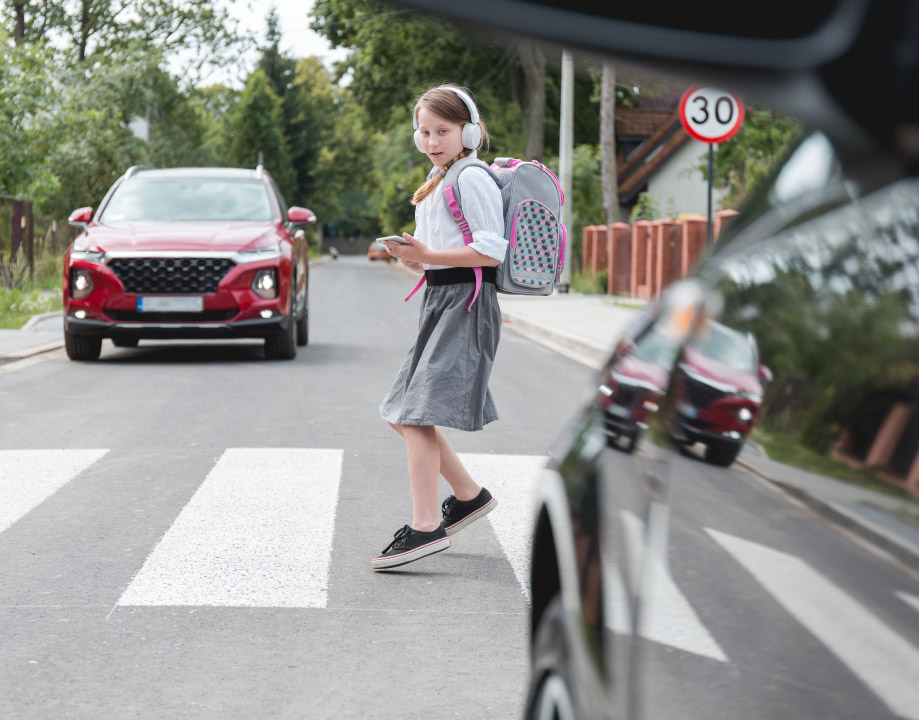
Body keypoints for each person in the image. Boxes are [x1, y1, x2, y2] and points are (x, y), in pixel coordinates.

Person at [372, 83, 504, 570]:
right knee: (400, 411)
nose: (431, 140)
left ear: (467, 132)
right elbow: (441, 256)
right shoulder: (440, 178)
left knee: (412, 414)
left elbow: (492, 250)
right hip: (440, 299)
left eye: (442, 131)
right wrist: (416, 261)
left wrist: (428, 256)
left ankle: (426, 527)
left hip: (466, 304)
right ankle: (468, 495)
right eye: (424, 131)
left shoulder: (471, 178)